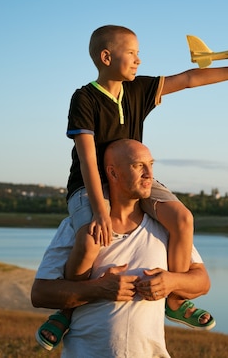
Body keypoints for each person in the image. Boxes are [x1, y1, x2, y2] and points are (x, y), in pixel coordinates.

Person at [36, 24, 228, 350]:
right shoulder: (84, 98)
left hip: (133, 178)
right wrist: (99, 210)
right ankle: (67, 309)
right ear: (106, 56)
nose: (139, 60)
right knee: (89, 237)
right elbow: (85, 158)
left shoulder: (137, 89)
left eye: (140, 54)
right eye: (132, 54)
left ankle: (175, 300)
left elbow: (188, 78)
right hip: (90, 184)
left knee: (182, 219)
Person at [32, 139, 212, 357]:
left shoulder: (164, 226)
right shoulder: (78, 228)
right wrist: (99, 289)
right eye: (138, 166)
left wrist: (171, 282)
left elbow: (202, 282)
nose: (149, 174)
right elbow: (40, 294)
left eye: (151, 165)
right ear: (113, 173)